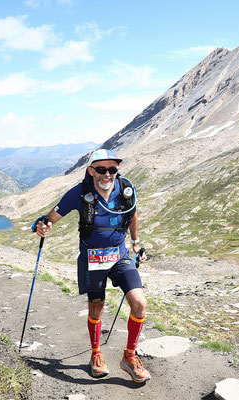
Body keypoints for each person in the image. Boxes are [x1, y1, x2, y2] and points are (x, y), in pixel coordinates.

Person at [34, 149, 150, 383]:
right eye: (101, 169)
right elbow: (51, 217)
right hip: (92, 258)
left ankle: (130, 356)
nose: (107, 174)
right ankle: (96, 354)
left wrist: (136, 242)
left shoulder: (126, 189)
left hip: (120, 255)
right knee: (96, 308)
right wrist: (43, 226)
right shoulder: (78, 192)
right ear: (91, 171)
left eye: (112, 169)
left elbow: (133, 213)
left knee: (139, 303)